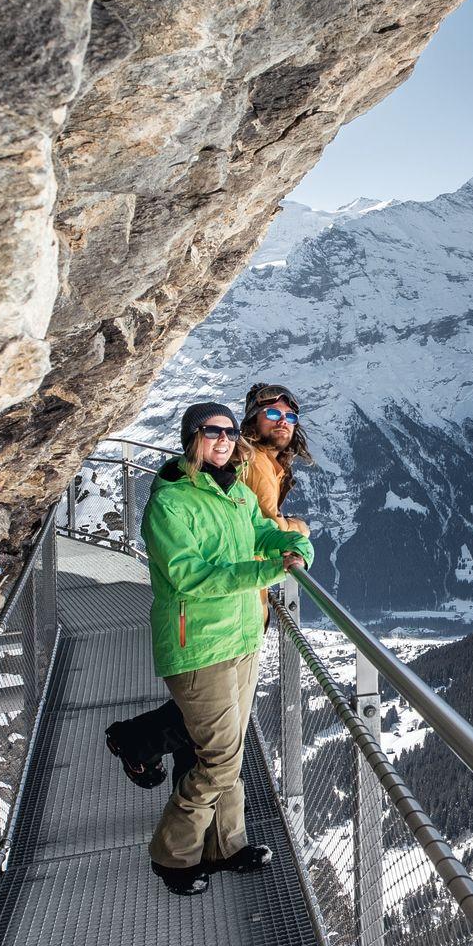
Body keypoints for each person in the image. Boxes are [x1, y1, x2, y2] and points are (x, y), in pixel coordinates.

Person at [138, 400, 314, 896]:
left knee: (228, 750)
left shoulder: (233, 491)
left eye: (230, 432)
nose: (223, 440)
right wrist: (269, 570)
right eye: (211, 432)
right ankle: (172, 855)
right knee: (219, 760)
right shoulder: (170, 502)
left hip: (240, 638)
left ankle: (226, 845)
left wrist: (296, 546)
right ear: (191, 437)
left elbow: (261, 530)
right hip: (198, 645)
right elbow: (187, 576)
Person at [236, 381, 314, 535]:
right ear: (253, 421)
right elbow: (274, 528)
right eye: (273, 413)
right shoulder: (256, 462)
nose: (283, 421)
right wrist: (299, 527)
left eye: (290, 417)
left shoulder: (267, 461)